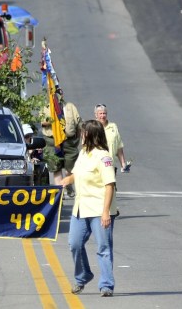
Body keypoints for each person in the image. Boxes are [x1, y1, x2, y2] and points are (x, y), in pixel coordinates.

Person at [59, 120, 117, 297]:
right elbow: (75, 174)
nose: (80, 136)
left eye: (83, 133)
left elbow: (109, 185)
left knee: (103, 248)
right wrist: (62, 183)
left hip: (99, 209)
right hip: (80, 208)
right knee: (74, 244)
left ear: (91, 135)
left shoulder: (104, 156)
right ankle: (83, 275)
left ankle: (106, 285)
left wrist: (106, 212)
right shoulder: (83, 153)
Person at [95, 104, 129, 172]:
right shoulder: (92, 127)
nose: (102, 116)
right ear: (96, 115)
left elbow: (119, 147)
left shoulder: (113, 126)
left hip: (110, 166)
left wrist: (123, 164)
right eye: (100, 113)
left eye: (104, 113)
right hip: (96, 168)